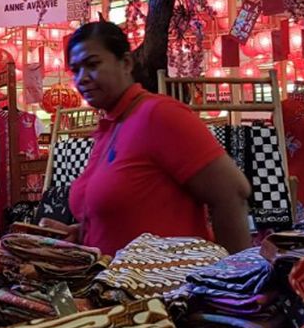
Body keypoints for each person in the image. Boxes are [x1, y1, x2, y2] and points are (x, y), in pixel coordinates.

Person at [46, 22, 253, 255]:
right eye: (75, 70)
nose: (82, 78)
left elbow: (232, 193)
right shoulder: (110, 128)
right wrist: (84, 232)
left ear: (125, 63)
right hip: (111, 287)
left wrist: (235, 280)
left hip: (169, 287)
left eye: (92, 64)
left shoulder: (158, 115)